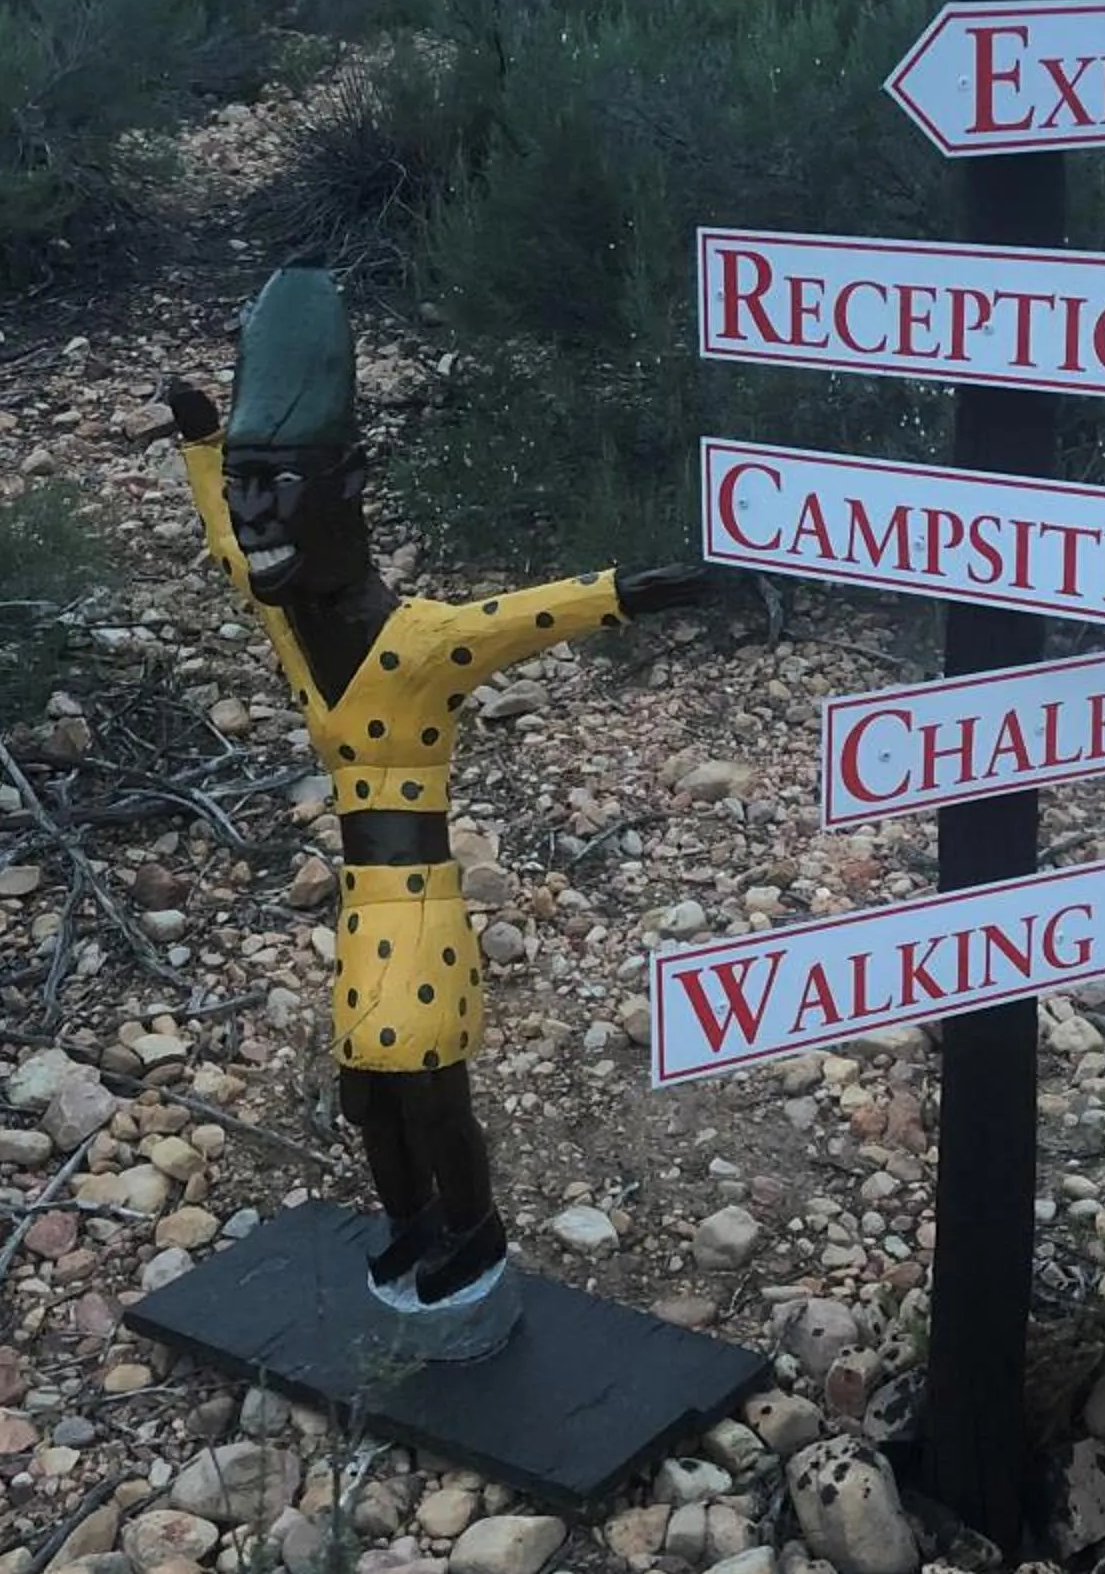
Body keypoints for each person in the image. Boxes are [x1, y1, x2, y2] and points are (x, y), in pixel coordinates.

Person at [166, 267, 704, 1331]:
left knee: (427, 1079)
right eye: (246, 481)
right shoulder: (293, 630)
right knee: (366, 1085)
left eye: (277, 484)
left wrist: (634, 591)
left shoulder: (417, 644)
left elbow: (524, 617)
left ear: (346, 487)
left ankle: (478, 1227)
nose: (255, 511)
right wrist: (198, 450)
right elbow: (232, 551)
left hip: (421, 902)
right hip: (364, 904)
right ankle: (411, 1218)